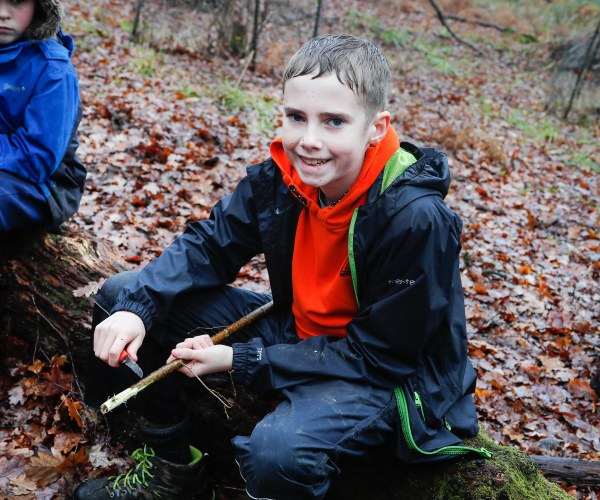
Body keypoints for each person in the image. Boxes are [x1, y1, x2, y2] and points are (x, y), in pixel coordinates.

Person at [75, 34, 490, 500]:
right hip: (298, 331)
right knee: (123, 296)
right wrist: (139, 308)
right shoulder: (283, 178)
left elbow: (382, 356)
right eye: (297, 117)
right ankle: (172, 469)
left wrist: (244, 359)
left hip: (385, 374)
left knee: (276, 455)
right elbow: (211, 245)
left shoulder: (415, 219)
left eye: (334, 121)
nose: (309, 141)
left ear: (376, 127)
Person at [0, 0, 85, 232]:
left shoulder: (54, 70)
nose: (3, 13)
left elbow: (36, 159)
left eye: (16, 1)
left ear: (40, 6)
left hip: (44, 184)